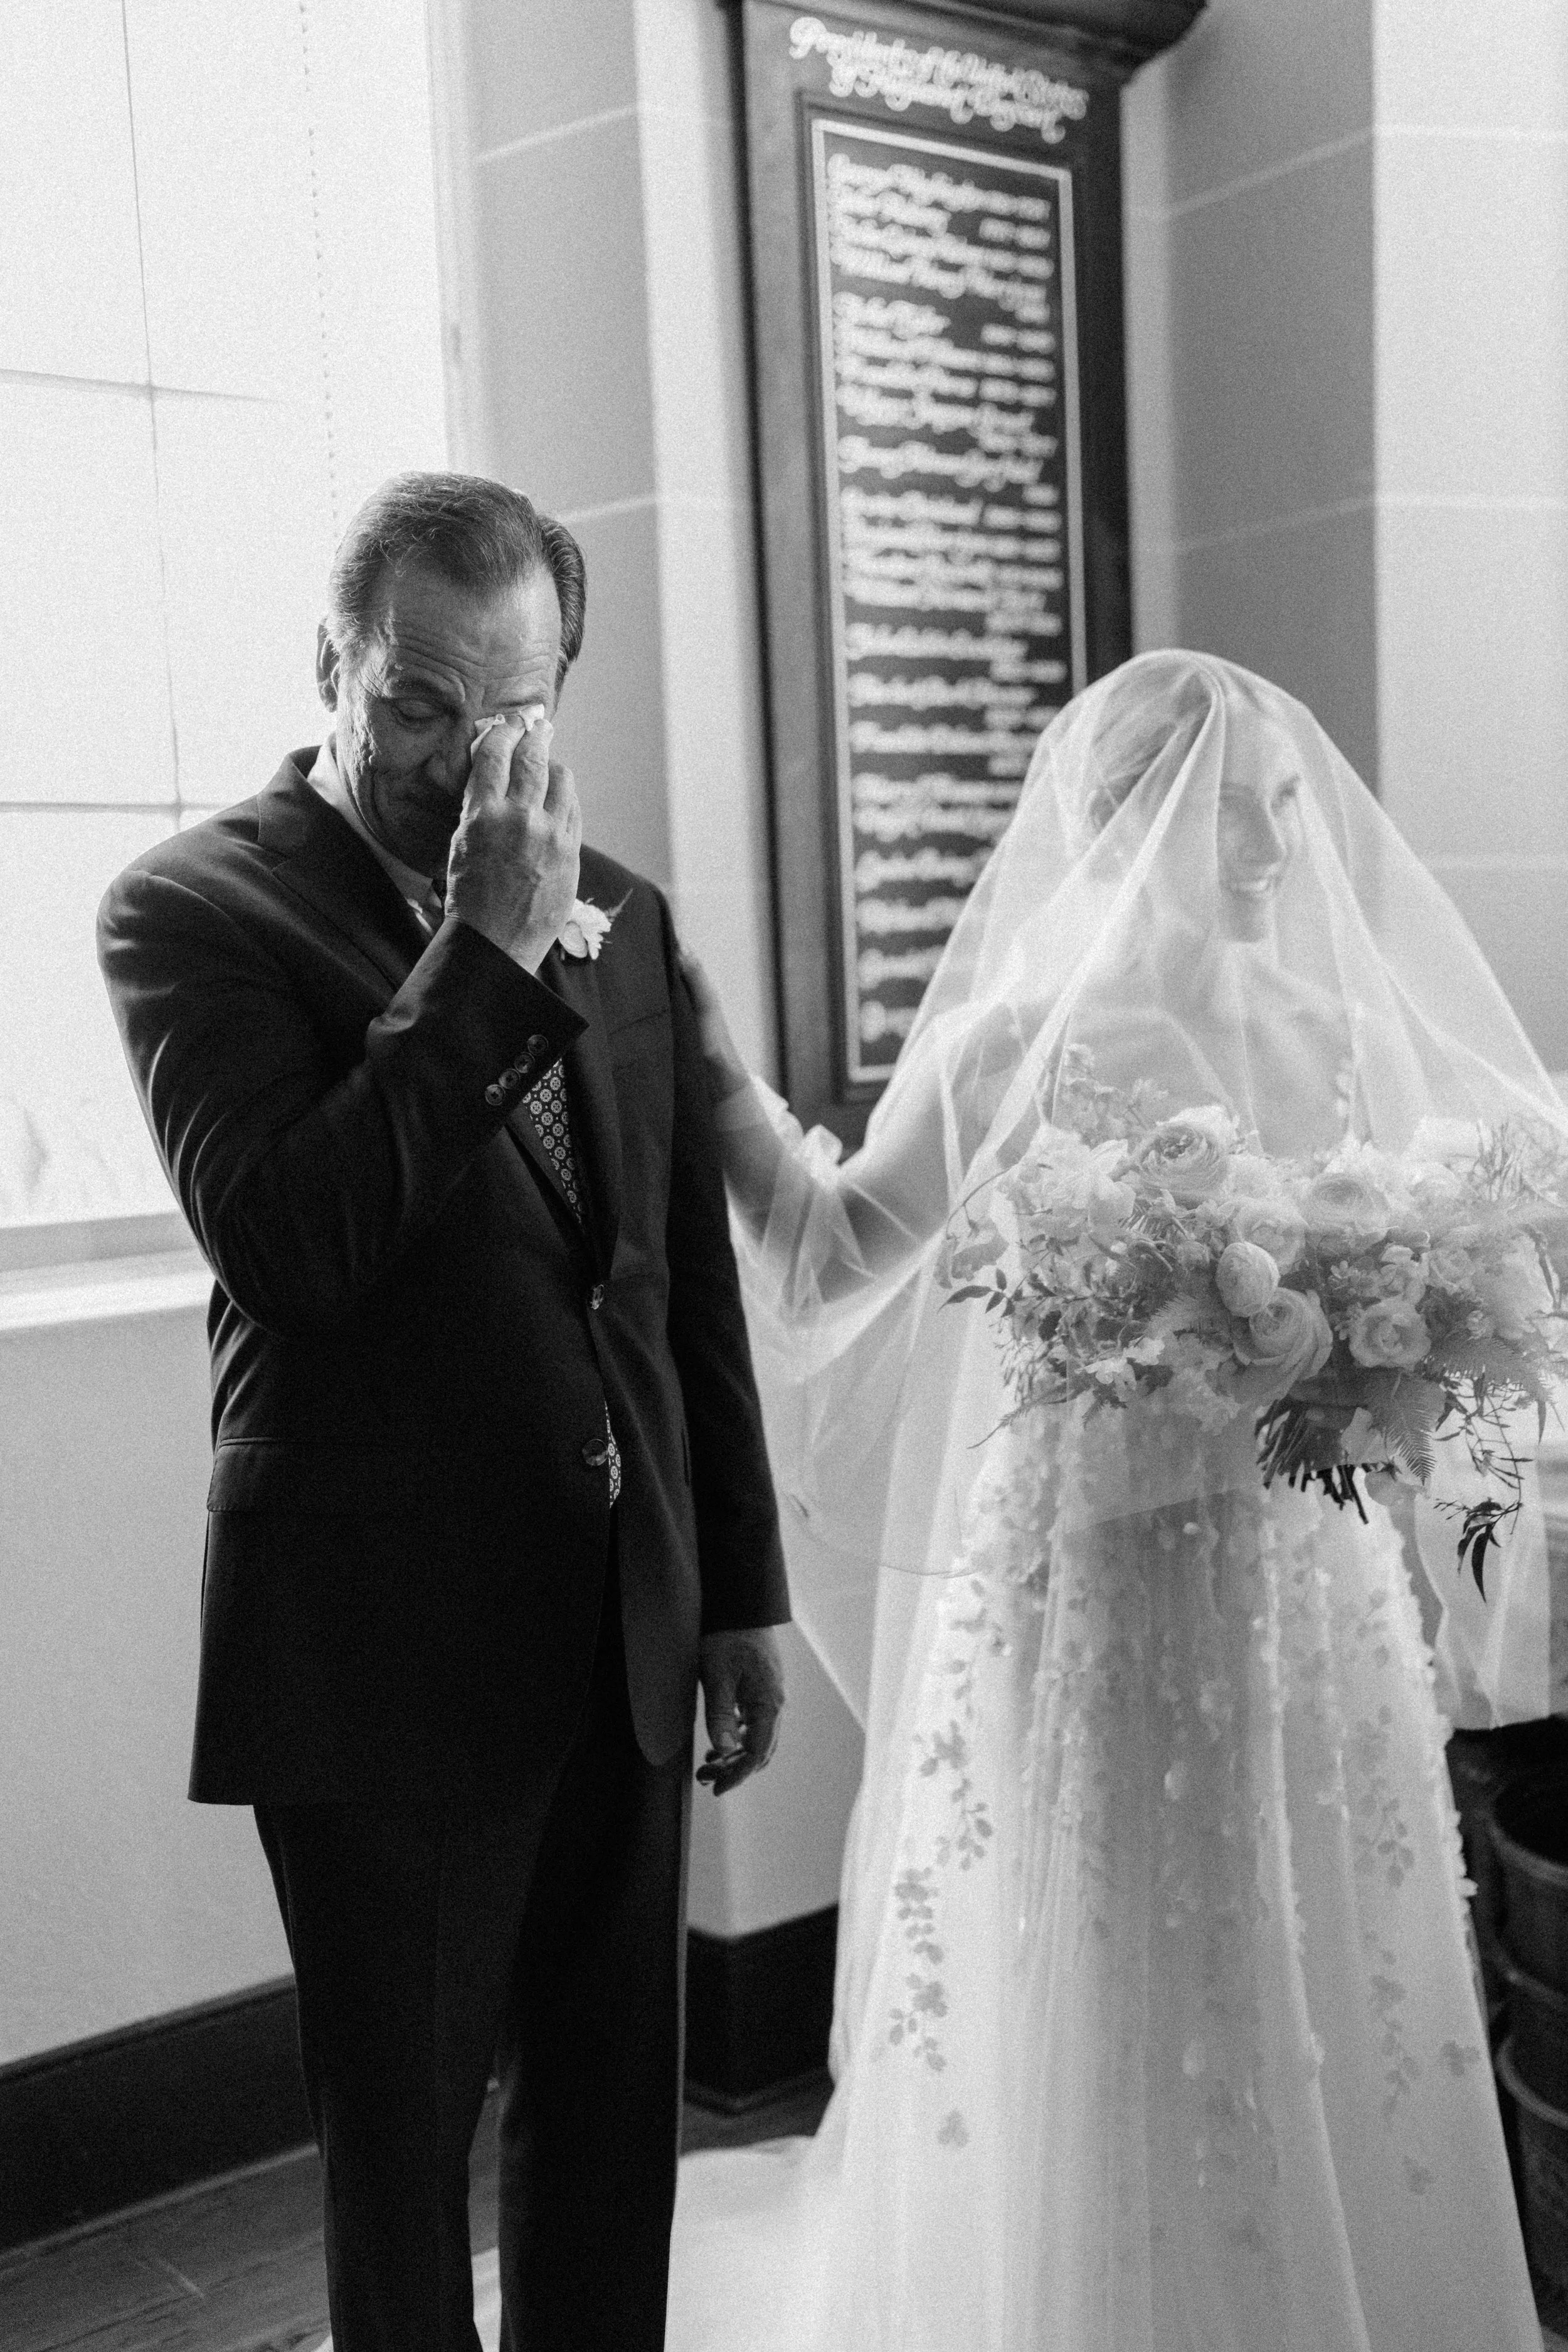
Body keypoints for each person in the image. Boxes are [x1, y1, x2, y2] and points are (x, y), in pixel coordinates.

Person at [666, 651, 1564, 2351]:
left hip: (1294, 1581)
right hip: (1081, 1593)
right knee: (1109, 1969)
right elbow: (834, 1252)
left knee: (1306, 1950)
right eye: (1238, 810)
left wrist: (1400, 1349)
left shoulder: (1310, 1026)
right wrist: (709, 1072)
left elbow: (1444, 1254)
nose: (1276, 846)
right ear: (1131, 818)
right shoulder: (1016, 1042)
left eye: (1281, 809)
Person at [96, 470, 789, 2352]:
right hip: (380, 1650)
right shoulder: (190, 910)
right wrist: (483, 951)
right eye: (418, 702)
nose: (468, 760)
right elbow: (298, 1242)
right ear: (330, 656)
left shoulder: (623, 912)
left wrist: (735, 1579)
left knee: (605, 2138)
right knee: (400, 2166)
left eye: (520, 711)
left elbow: (667, 1276)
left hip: (617, 1623)